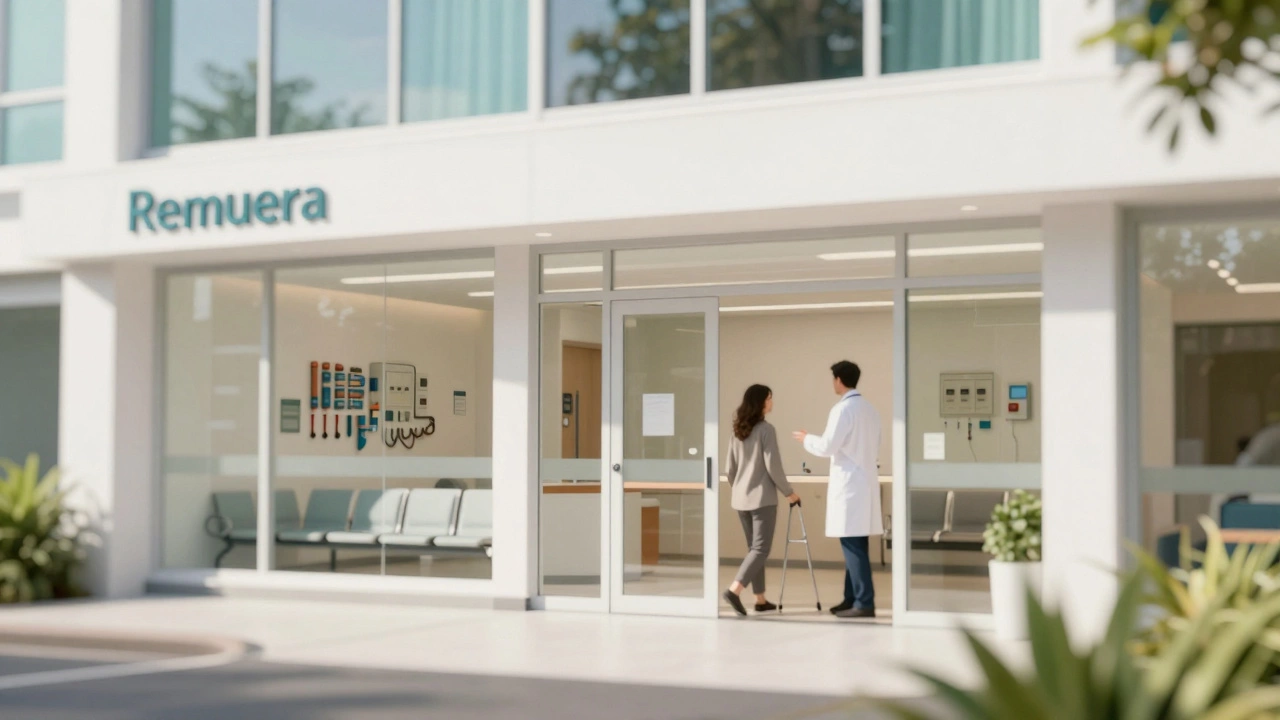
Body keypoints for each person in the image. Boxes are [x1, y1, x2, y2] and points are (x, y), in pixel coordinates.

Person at [793, 361, 882, 619]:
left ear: (839, 380)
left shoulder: (843, 409)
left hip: (850, 486)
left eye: (833, 379)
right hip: (863, 485)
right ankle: (850, 597)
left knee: (852, 545)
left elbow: (827, 447)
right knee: (856, 543)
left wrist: (806, 439)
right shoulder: (870, 410)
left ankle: (864, 602)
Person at [722, 384, 800, 616]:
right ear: (761, 402)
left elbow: (729, 469)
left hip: (740, 499)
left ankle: (760, 599)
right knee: (760, 549)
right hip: (762, 500)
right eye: (769, 398)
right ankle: (734, 590)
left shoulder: (738, 430)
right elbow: (773, 466)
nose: (772, 402)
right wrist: (789, 492)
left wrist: (740, 488)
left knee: (753, 550)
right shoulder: (767, 430)